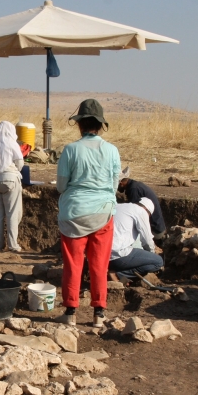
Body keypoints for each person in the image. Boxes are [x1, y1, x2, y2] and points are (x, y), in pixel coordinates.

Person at [55, 99, 121, 326]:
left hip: (73, 213)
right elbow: (114, 185)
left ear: (80, 124)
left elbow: (61, 186)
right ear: (101, 125)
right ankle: (99, 314)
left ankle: (70, 312)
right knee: (99, 265)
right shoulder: (112, 150)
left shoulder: (70, 150)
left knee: (73, 264)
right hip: (103, 214)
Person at [0, 121, 24, 252]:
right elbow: (19, 163)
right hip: (10, 180)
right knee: (12, 213)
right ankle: (13, 245)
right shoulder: (12, 143)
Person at [109, 198, 164, 282]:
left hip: (101, 255)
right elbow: (147, 240)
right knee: (158, 262)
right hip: (116, 256)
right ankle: (118, 274)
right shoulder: (141, 212)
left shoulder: (118, 206)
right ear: (147, 210)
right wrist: (152, 253)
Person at [118, 167, 166, 242]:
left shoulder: (133, 190)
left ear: (121, 184)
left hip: (155, 230)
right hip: (159, 227)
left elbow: (133, 213)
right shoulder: (135, 185)